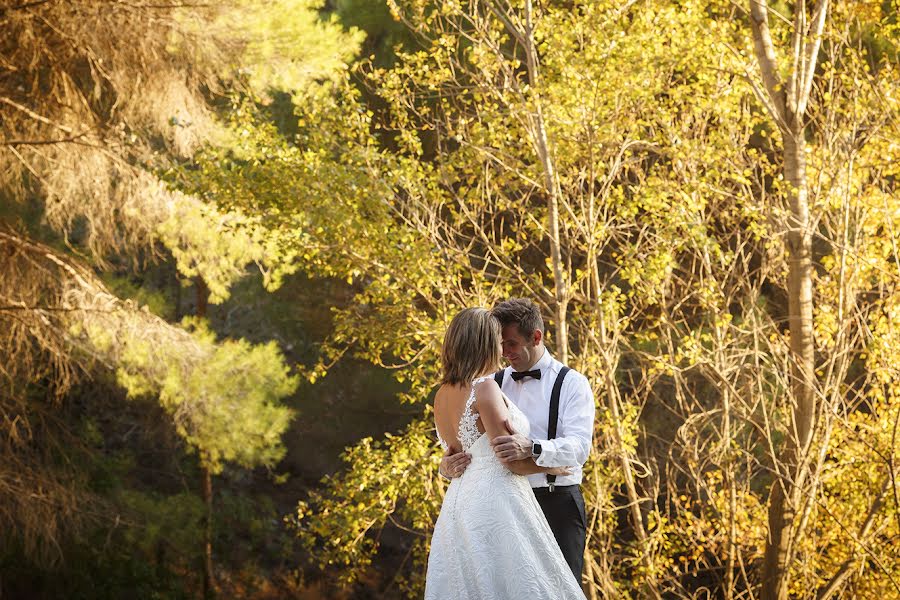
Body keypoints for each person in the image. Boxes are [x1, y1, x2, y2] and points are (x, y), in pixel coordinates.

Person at [426, 307, 586, 599]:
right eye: (499, 340)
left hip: (468, 505)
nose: (502, 349)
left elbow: (579, 445)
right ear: (485, 342)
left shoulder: (441, 393)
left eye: (508, 342)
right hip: (500, 503)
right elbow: (508, 461)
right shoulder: (486, 387)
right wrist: (551, 467)